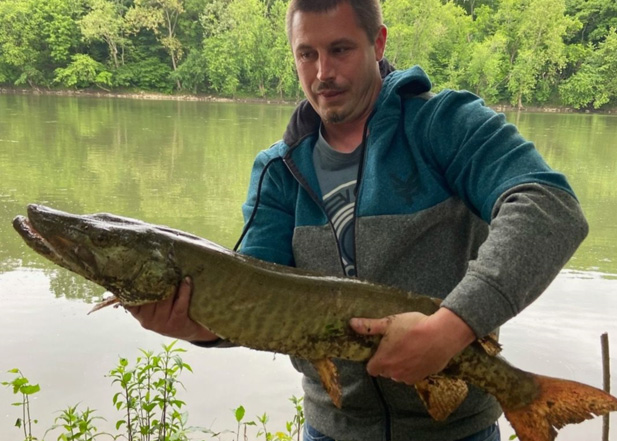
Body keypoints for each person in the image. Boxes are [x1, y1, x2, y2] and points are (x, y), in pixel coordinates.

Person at [127, 1, 589, 440]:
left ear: (379, 43)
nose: (323, 73)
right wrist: (196, 327)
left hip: (457, 433)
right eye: (307, 54)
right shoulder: (278, 170)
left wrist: (452, 327)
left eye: (340, 49)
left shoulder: (444, 125)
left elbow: (549, 206)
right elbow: (253, 305)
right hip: (331, 431)